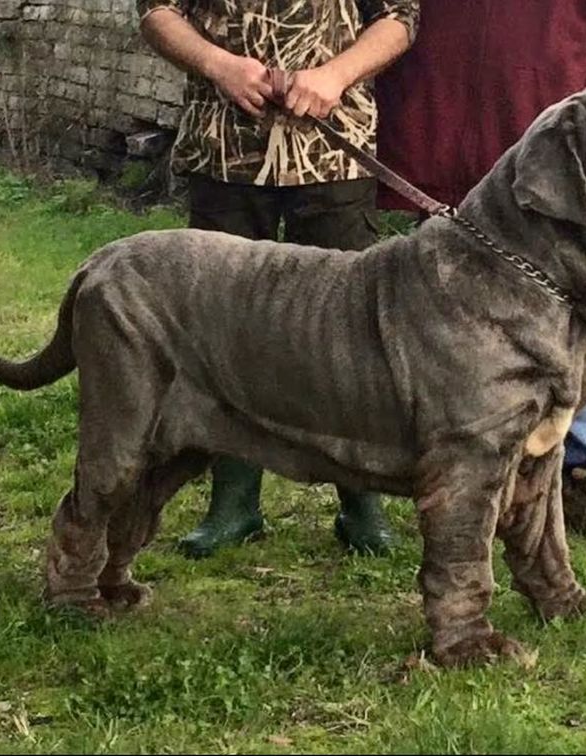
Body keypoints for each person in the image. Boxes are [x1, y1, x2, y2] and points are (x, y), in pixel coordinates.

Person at [375, 0, 586, 544]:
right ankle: (458, 472)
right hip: (444, 157)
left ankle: (574, 470)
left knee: (564, 327)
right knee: (444, 334)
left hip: (555, 178)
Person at [136, 0, 420, 558]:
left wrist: (335, 76)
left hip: (333, 150)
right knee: (225, 331)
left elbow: (400, 17)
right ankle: (233, 505)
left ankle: (361, 503)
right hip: (223, 151)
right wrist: (220, 65)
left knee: (353, 336)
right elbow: (156, 12)